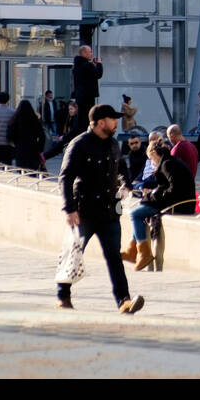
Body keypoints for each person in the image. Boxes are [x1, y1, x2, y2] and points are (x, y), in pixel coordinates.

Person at [56, 104, 144, 314]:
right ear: (101, 122)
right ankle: (63, 296)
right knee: (74, 253)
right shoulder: (79, 144)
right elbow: (65, 177)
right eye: (113, 119)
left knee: (114, 257)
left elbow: (120, 166)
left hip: (110, 211)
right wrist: (69, 208)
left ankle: (124, 300)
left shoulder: (113, 144)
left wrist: (127, 183)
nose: (116, 123)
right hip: (84, 210)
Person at [121, 137, 195, 271]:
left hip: (179, 204)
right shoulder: (169, 161)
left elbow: (174, 189)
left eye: (151, 158)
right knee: (141, 209)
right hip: (177, 200)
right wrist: (150, 193)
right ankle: (133, 250)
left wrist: (153, 196)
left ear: (154, 154)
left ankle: (143, 253)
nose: (151, 162)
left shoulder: (167, 164)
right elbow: (165, 186)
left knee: (136, 214)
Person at [8, 99, 47, 171]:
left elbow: (10, 136)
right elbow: (42, 136)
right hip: (33, 149)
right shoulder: (35, 120)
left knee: (21, 171)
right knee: (32, 172)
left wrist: (16, 144)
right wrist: (40, 149)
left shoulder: (14, 121)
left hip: (20, 149)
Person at [71, 44, 103, 122]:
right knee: (87, 117)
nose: (91, 54)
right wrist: (99, 64)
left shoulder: (77, 65)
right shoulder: (87, 65)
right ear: (84, 53)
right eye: (90, 52)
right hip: (88, 96)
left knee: (81, 117)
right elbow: (98, 74)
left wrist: (92, 65)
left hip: (80, 95)